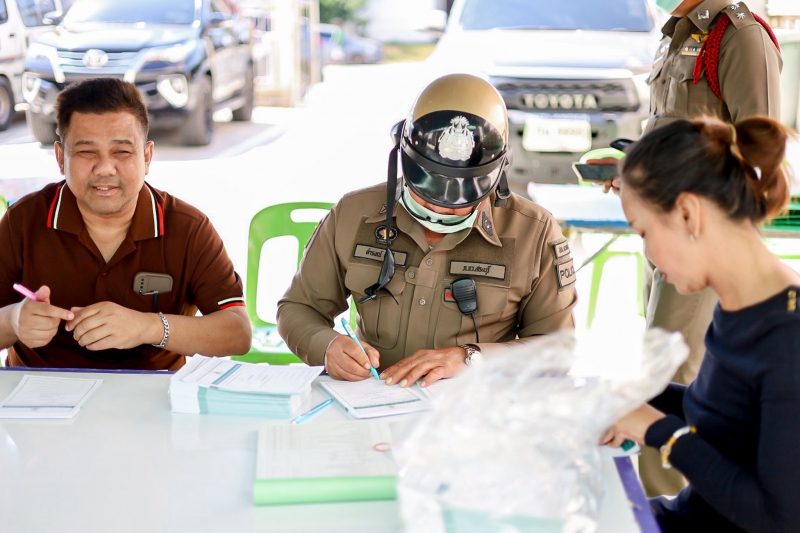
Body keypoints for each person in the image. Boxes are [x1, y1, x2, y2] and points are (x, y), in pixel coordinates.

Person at [277, 73, 577, 384]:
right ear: (402, 153)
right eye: (427, 188)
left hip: (475, 404)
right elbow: (298, 308)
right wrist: (327, 346)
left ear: (500, 170)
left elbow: (557, 350)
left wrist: (471, 358)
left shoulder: (534, 233)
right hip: (372, 399)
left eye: (462, 196)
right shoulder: (354, 213)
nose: (440, 207)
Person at [596, 0, 783, 496]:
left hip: (702, 242)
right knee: (658, 370)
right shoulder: (676, 31)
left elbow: (758, 158)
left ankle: (665, 502)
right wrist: (637, 172)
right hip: (667, 233)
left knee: (671, 368)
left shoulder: (740, 36)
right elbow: (676, 132)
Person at [601, 115, 800, 531]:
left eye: (644, 232)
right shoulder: (741, 306)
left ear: (688, 214)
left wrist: (658, 431)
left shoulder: (789, 337)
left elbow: (779, 520)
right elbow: (724, 415)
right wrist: (632, 396)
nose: (648, 254)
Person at [0, 78, 252, 370]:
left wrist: (149, 327)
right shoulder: (23, 221)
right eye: (86, 152)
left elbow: (238, 333)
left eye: (121, 151)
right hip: (40, 390)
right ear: (60, 157)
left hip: (156, 392)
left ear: (147, 157)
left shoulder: (188, 228)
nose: (105, 168)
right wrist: (13, 321)